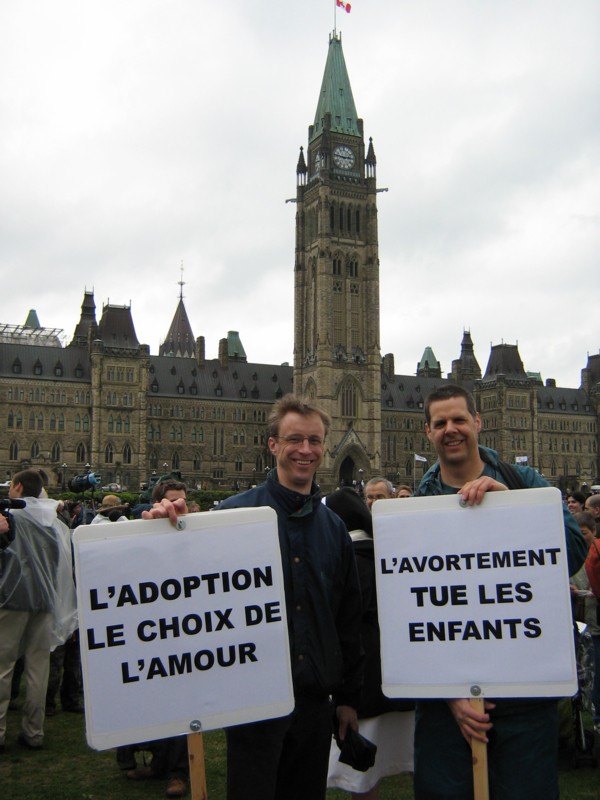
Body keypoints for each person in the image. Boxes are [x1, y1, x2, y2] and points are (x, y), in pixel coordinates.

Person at [147, 394, 362, 800]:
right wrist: (161, 532)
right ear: (273, 445)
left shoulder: (333, 527)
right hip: (253, 702)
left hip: (314, 701)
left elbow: (347, 617)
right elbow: (180, 591)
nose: (306, 450)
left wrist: (349, 698)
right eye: (295, 439)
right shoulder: (232, 515)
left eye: (315, 441)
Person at [413, 384, 587, 800]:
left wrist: (514, 505)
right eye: (441, 423)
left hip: (524, 693)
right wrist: (448, 694)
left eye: (459, 420)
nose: (450, 430)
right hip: (448, 702)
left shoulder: (522, 480)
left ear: (478, 422)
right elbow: (409, 606)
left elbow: (573, 550)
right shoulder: (419, 502)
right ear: (428, 433)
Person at [325, 487, 414, 799]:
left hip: (365, 683)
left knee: (363, 772)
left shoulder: (350, 562)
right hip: (397, 677)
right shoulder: (385, 554)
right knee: (407, 756)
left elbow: (344, 623)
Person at [0, 469, 77, 752]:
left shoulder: (9, 518)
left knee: (3, 667)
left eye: (11, 486)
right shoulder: (52, 522)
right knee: (38, 670)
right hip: (44, 601)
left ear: (18, 487)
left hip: (12, 599)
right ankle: (34, 732)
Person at [125, 479, 190, 798]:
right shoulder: (143, 533)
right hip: (154, 633)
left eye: (183, 502)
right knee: (155, 702)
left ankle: (179, 772)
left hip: (187, 636)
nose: (178, 508)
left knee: (183, 707)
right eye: (171, 502)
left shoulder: (195, 534)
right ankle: (158, 761)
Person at [570, 511, 600, 734]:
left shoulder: (595, 553)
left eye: (585, 534)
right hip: (579, 620)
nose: (582, 538)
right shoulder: (572, 554)